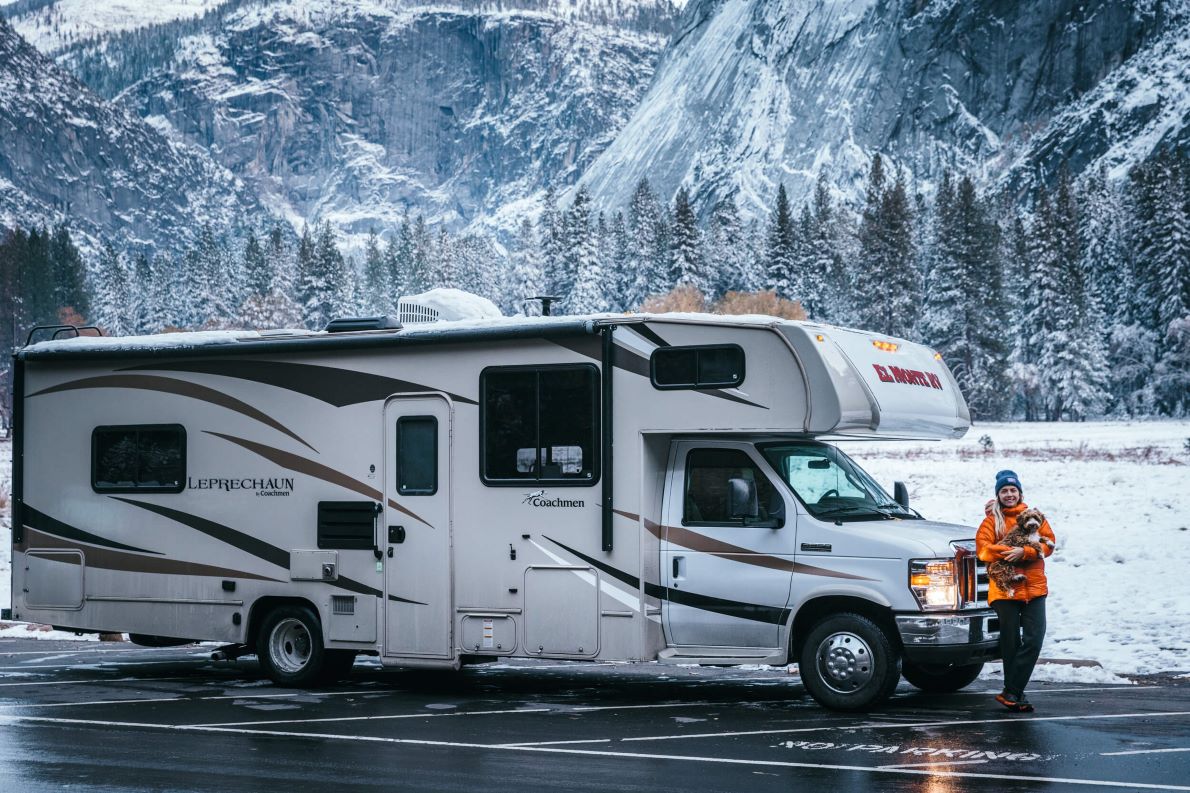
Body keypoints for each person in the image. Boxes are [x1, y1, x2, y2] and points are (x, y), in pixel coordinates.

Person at [976, 469, 1055, 713]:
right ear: (998, 495)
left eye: (1013, 490)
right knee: (1011, 643)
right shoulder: (991, 521)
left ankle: (1011, 690)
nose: (1009, 494)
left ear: (1020, 492)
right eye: (1004, 491)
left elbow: (1049, 543)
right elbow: (983, 551)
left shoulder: (1034, 516)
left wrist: (1027, 552)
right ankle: (1014, 695)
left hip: (1034, 587)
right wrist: (1009, 552)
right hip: (1005, 589)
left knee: (1034, 638)